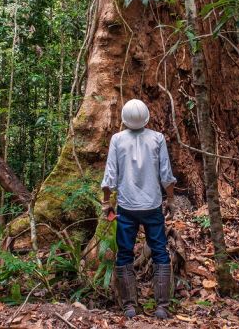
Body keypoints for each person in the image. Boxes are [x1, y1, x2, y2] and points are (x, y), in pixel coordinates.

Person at [101, 99, 177, 319]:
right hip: (152, 205)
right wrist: (170, 199)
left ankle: (129, 307)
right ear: (146, 117)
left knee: (124, 253)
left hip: (126, 206)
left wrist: (107, 202)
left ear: (124, 119)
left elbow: (109, 176)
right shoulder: (157, 138)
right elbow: (166, 174)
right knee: (160, 252)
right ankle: (162, 306)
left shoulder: (117, 139)